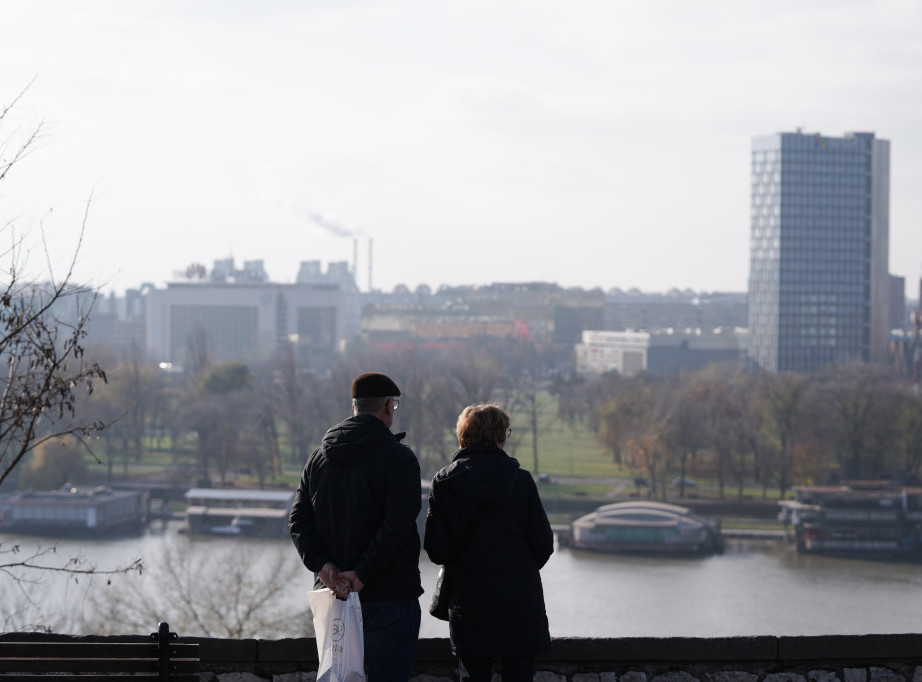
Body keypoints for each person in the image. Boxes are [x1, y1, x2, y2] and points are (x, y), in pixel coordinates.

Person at [289, 372, 423, 682]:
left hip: (333, 599)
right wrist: (361, 574)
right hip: (389, 596)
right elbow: (397, 527)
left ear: (354, 407)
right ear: (388, 407)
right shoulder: (399, 460)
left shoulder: (317, 459)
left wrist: (325, 569)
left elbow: (298, 522)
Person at [424, 403, 554, 682]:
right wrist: (518, 570)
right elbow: (543, 544)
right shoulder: (521, 481)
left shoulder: (444, 484)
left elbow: (436, 550)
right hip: (520, 602)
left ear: (463, 435)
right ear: (499, 436)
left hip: (468, 603)